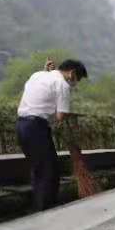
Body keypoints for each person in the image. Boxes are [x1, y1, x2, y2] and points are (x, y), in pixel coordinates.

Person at [15, 57, 88, 211]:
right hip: (36, 127)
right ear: (72, 73)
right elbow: (61, 116)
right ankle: (46, 211)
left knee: (39, 168)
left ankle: (39, 207)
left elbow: (42, 91)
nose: (74, 84)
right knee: (49, 171)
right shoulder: (62, 84)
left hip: (21, 125)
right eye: (77, 79)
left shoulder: (38, 75)